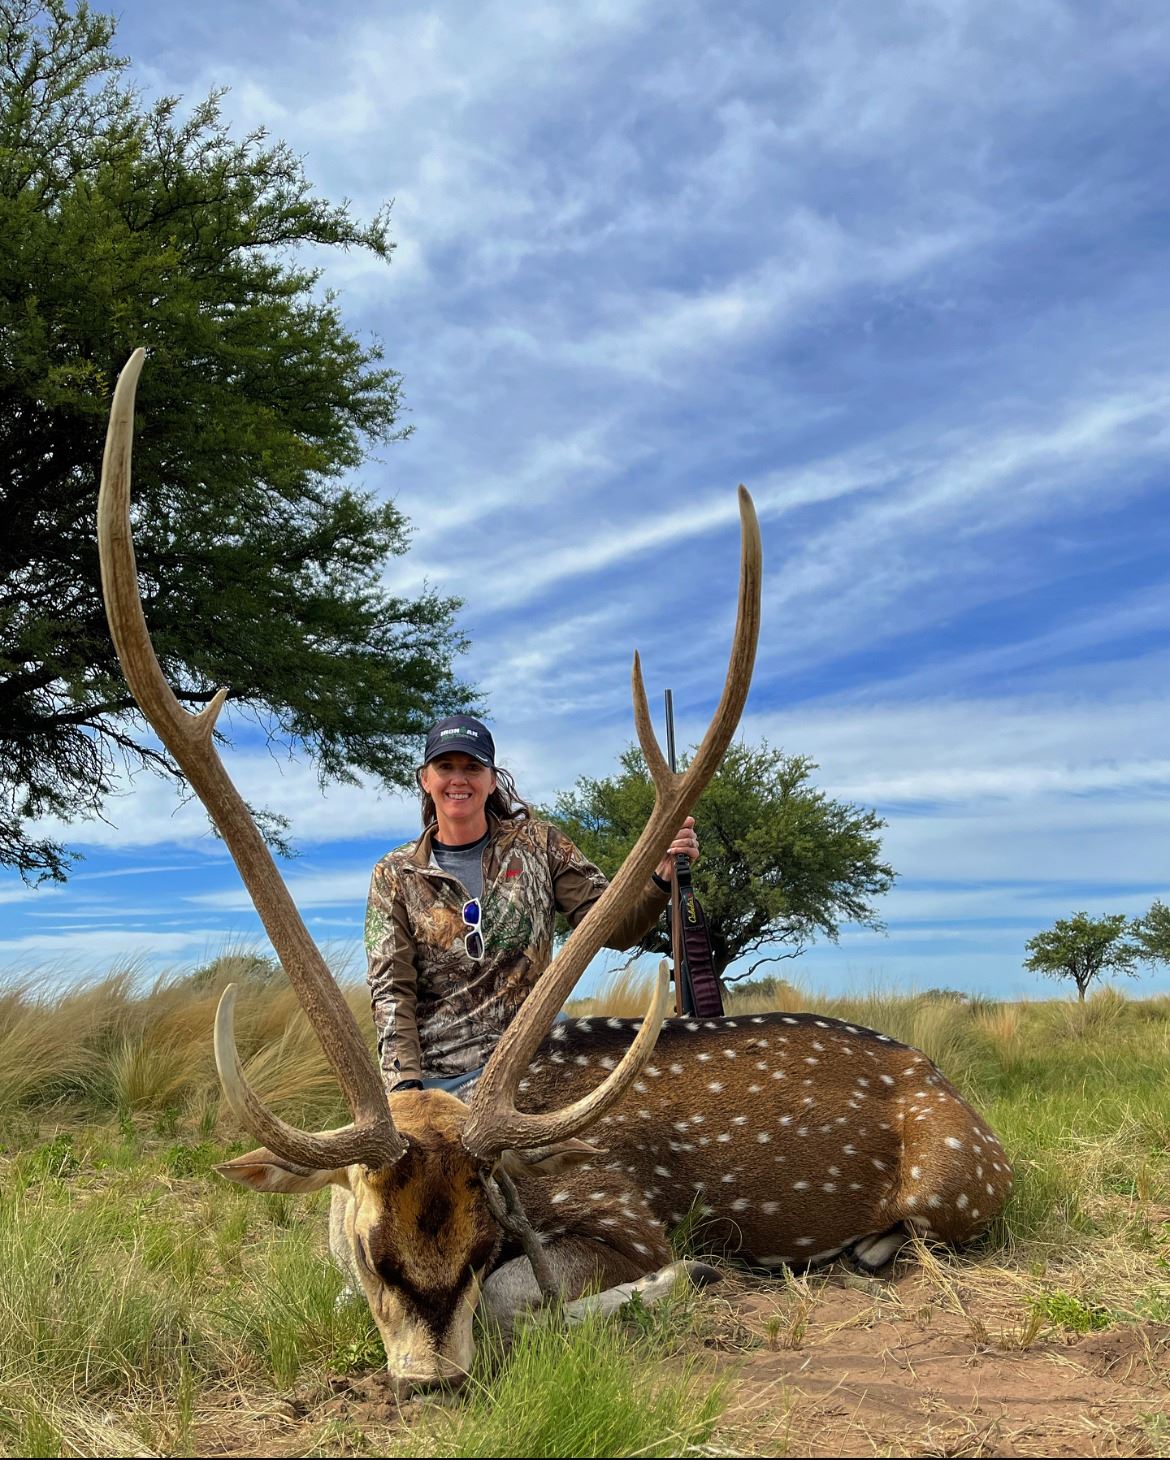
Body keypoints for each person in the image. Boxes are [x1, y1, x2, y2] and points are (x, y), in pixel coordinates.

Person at [364, 714, 700, 1095]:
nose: (459, 779)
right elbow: (392, 992)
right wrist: (406, 1090)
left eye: (473, 767)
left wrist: (660, 876)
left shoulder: (540, 845)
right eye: (446, 767)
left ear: (492, 780)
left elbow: (616, 927)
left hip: (542, 1058)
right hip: (445, 1080)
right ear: (425, 779)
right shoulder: (394, 875)